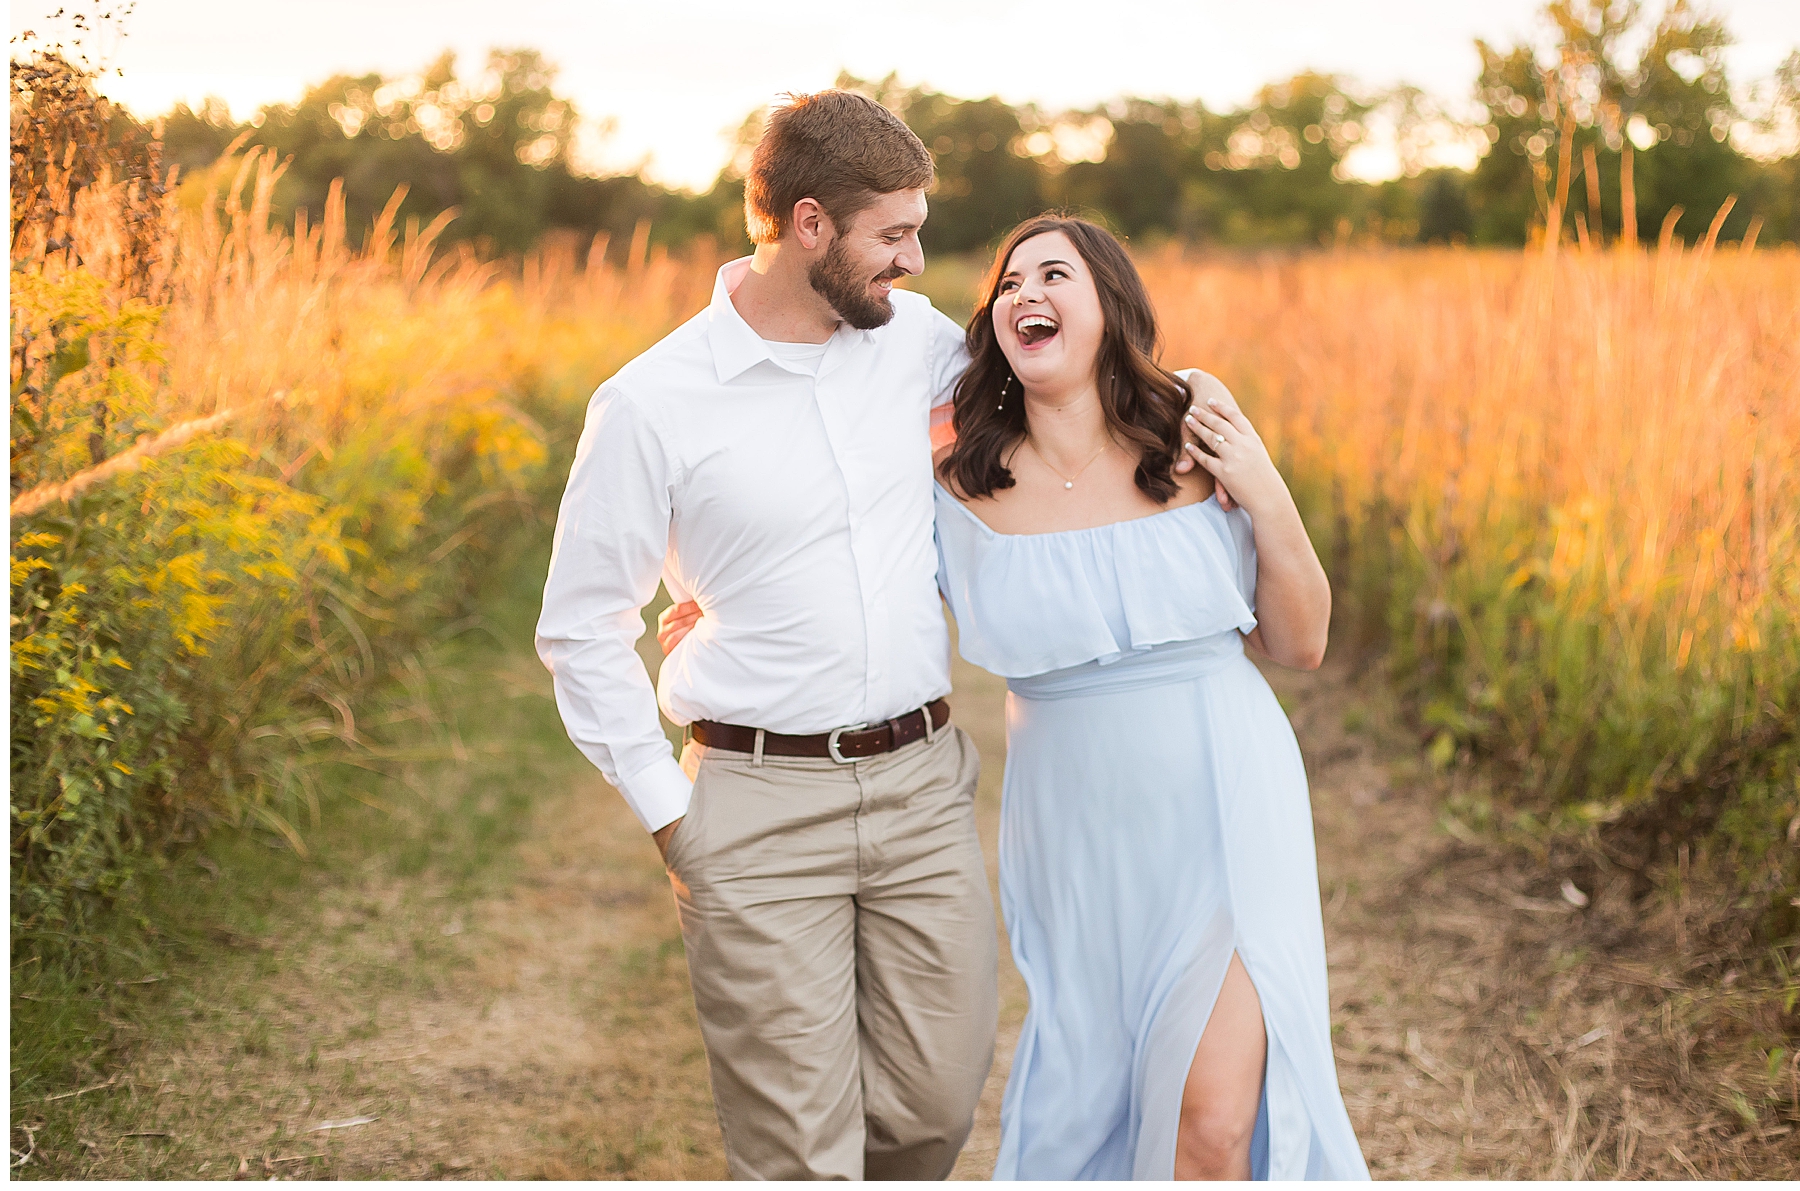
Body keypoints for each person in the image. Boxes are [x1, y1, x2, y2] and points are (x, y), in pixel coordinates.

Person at [537, 92, 1229, 1180]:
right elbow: (581, 628)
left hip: (920, 791)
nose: (914, 259)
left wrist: (1188, 421)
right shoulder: (650, 403)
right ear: (808, 224)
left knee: (929, 1114)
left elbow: (1059, 418)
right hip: (753, 805)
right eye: (892, 234)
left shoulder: (921, 348)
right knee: (803, 1152)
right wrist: (673, 817)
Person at [931, 215, 1370, 1180]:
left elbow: (1300, 641)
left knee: (1212, 1121)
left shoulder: (1196, 440)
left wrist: (1264, 486)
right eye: (1009, 283)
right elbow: (850, 586)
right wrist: (720, 607)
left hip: (1225, 800)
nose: (1025, 294)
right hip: (1072, 830)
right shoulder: (954, 487)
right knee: (1095, 1101)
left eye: (1055, 274)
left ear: (1111, 308)